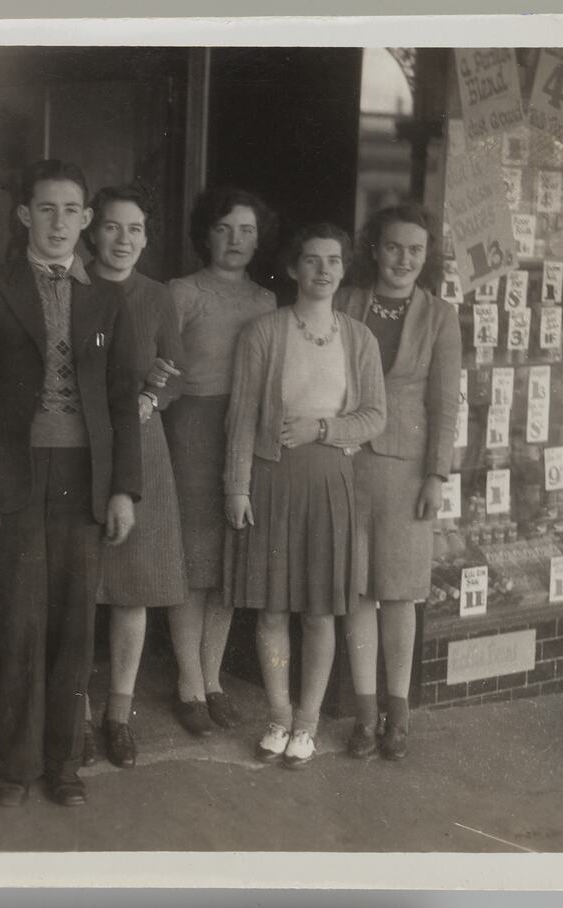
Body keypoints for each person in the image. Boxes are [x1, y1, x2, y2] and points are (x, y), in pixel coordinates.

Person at [0, 159, 142, 808]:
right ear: (25, 215)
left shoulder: (106, 299)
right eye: (47, 209)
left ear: (86, 220)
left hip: (84, 481)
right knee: (19, 625)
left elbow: (122, 404)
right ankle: (17, 766)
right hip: (15, 479)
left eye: (71, 211)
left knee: (74, 629)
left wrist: (123, 489)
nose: (59, 223)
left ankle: (64, 765)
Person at [224, 223, 385, 769]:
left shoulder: (359, 338)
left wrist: (322, 429)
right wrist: (236, 487)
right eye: (312, 260)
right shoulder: (264, 332)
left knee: (319, 613)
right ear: (293, 268)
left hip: (330, 483)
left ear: (344, 269)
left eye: (333, 261)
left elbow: (375, 416)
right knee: (272, 610)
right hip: (272, 480)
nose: (323, 270)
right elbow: (241, 416)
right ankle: (277, 717)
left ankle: (307, 725)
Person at [337, 203, 462, 761]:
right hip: (347, 462)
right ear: (375, 249)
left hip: (407, 471)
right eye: (393, 247)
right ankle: (365, 716)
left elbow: (445, 404)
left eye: (415, 250)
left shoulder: (439, 316)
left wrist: (436, 474)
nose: (403, 259)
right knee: (358, 591)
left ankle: (400, 714)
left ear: (427, 256)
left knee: (400, 593)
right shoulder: (346, 302)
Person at [164, 187, 278, 736]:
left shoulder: (267, 300)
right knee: (193, 564)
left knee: (229, 565)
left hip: (246, 433)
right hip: (193, 432)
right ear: (206, 234)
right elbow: (162, 368)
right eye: (224, 228)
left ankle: (213, 680)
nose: (235, 240)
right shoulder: (181, 292)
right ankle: (188, 684)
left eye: (247, 230)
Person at [83, 183, 187, 769]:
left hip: (142, 446)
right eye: (112, 227)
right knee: (78, 585)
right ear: (92, 231)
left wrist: (152, 396)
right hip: (80, 446)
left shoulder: (156, 296)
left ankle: (118, 716)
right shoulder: (72, 285)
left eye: (136, 229)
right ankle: (73, 712)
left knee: (135, 584)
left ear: (147, 238)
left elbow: (176, 370)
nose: (124, 240)